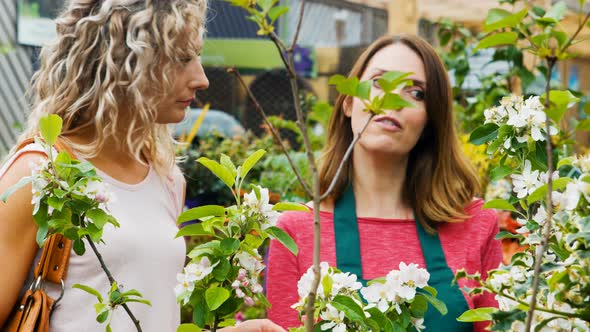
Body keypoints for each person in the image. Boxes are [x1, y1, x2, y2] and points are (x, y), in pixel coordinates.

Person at [0, 1, 284, 331]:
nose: (201, 78)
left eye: (197, 57)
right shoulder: (40, 173)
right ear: (125, 63)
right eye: (182, 59)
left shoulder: (166, 179)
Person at [266, 34, 502, 332]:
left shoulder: (475, 224)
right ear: (349, 103)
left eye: (416, 93)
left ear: (431, 120)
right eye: (379, 82)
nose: (393, 102)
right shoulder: (296, 231)